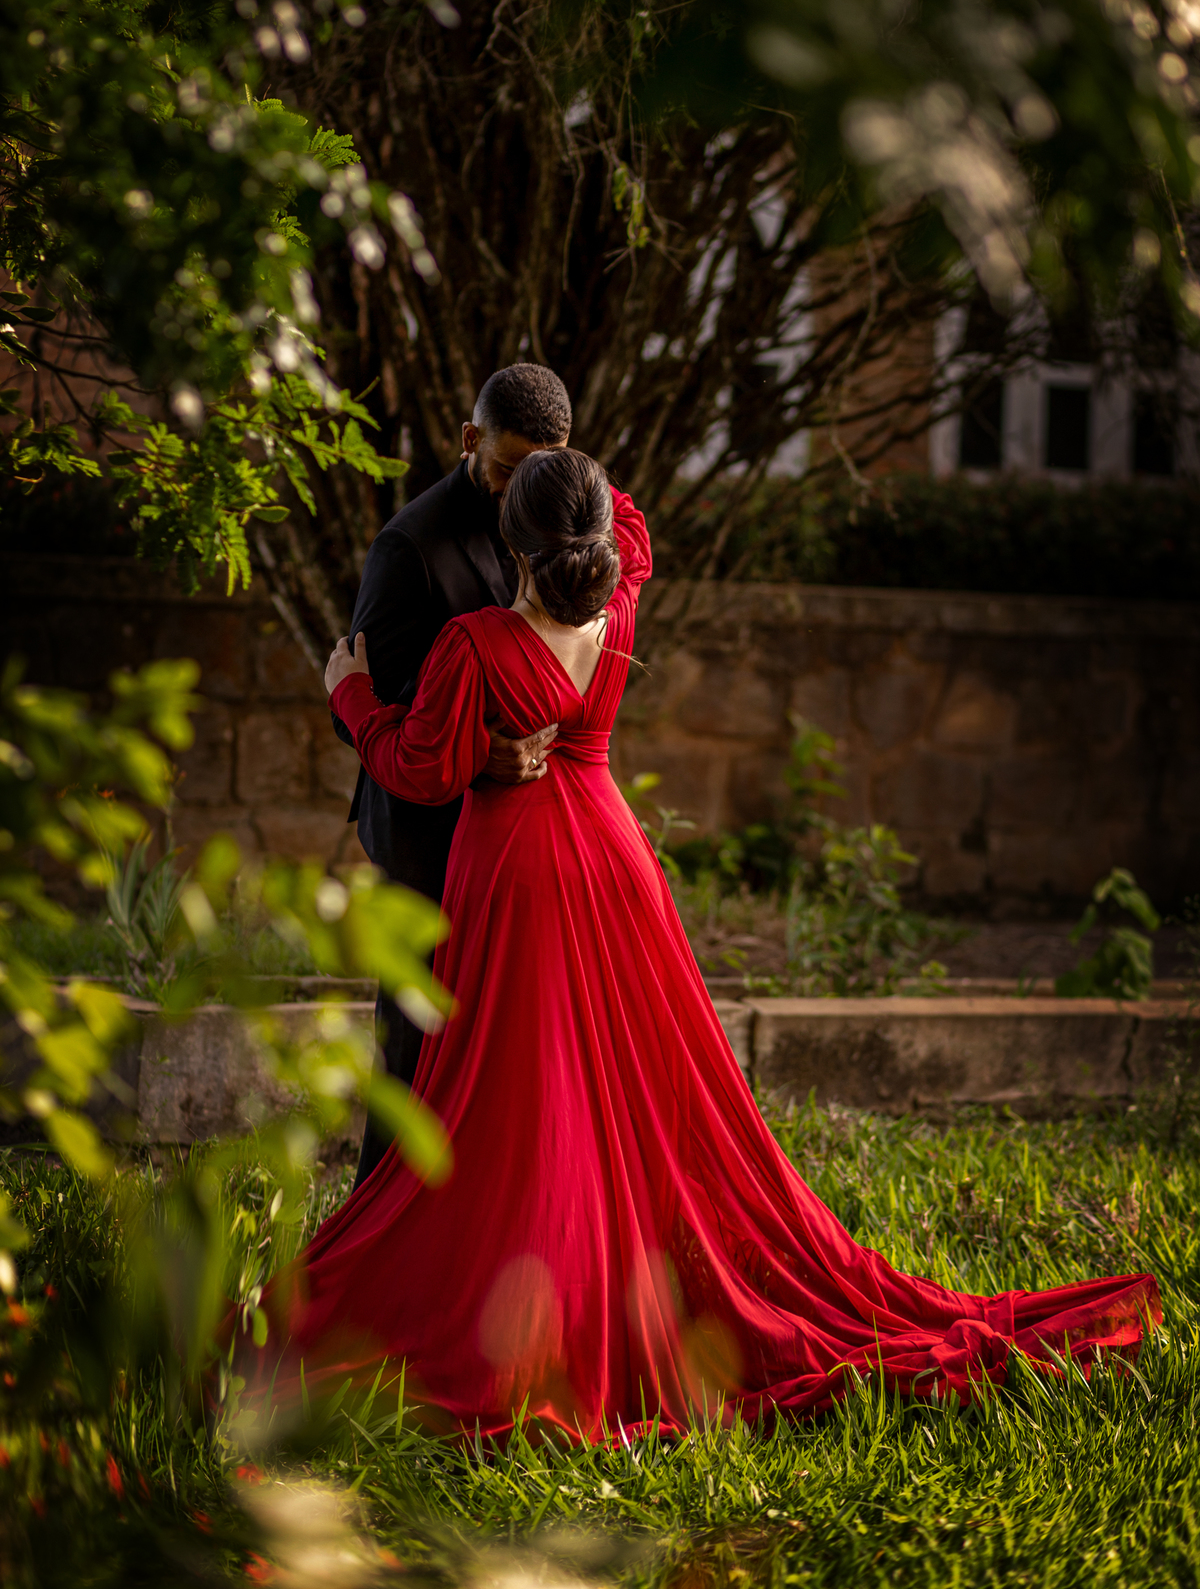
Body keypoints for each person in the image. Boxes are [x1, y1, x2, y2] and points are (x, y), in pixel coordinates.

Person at [252, 448, 1161, 1440]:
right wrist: (571, 471)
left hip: (517, 871)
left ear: (509, 539)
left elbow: (420, 769)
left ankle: (533, 1270)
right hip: (613, 861)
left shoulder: (473, 643)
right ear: (594, 533)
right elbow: (634, 533)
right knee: (627, 1081)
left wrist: (350, 691)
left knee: (520, 1087)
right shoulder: (620, 610)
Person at [335, 362, 570, 1187]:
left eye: (542, 469)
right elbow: (359, 698)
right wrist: (474, 745)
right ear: (471, 440)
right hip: (423, 829)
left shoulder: (560, 517)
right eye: (509, 468)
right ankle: (376, 1215)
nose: (524, 490)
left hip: (517, 831)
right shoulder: (409, 546)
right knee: (414, 1035)